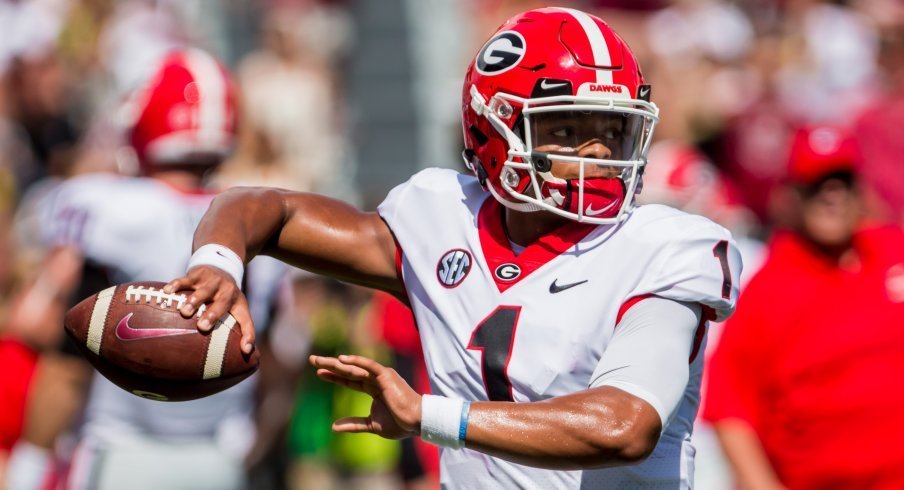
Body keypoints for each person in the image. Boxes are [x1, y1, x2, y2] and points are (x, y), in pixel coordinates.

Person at [167, 8, 742, 488]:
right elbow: (261, 206)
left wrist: (429, 416)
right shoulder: (442, 218)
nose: (597, 151)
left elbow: (625, 427)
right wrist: (218, 262)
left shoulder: (660, 247)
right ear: (494, 131)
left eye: (611, 130)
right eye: (567, 130)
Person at [4, 48, 287, 490]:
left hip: (119, 450)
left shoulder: (111, 209)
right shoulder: (258, 217)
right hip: (218, 459)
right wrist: (254, 452)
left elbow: (66, 365)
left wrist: (29, 463)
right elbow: (277, 368)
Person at [702, 125, 904, 489]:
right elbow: (729, 408)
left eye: (841, 181)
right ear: (790, 195)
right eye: (816, 184)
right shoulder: (767, 288)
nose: (832, 196)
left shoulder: (893, 251)